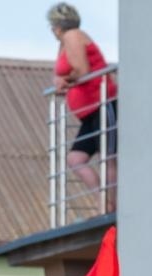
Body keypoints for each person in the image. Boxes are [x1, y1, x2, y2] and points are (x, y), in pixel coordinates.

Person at [48, 3, 117, 206]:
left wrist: (65, 80)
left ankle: (112, 206)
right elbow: (62, 72)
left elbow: (82, 70)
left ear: (57, 26)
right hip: (89, 111)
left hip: (103, 104)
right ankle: (104, 201)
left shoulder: (73, 36)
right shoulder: (65, 42)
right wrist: (58, 81)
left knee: (109, 157)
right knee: (75, 159)